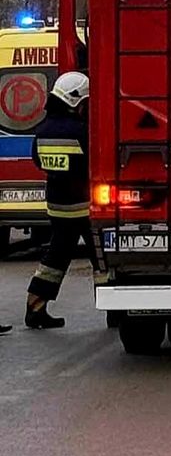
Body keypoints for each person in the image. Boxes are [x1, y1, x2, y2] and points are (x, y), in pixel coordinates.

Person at [25, 71, 93, 329]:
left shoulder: (42, 130)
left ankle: (35, 308)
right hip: (84, 206)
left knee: (54, 259)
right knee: (102, 260)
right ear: (77, 101)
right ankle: (117, 314)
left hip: (57, 206)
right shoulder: (82, 131)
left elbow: (38, 161)